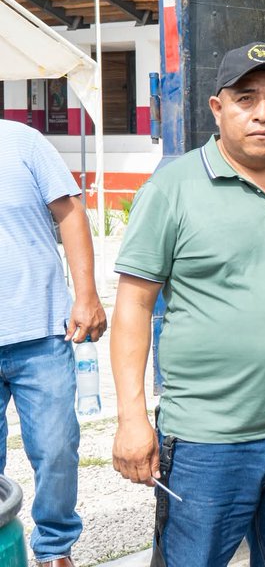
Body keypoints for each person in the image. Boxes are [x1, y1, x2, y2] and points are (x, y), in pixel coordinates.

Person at [110, 42, 265, 566]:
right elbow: (133, 307)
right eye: (245, 98)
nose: (262, 113)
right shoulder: (173, 189)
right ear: (218, 108)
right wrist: (131, 418)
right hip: (208, 441)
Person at [0, 119, 106, 567]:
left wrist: (87, 295)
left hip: (40, 330)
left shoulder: (22, 141)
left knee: (57, 448)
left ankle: (55, 549)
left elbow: (70, 213)